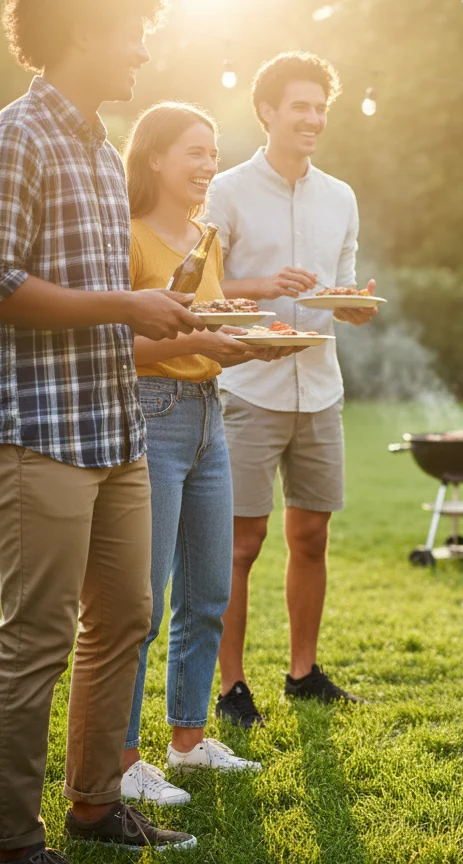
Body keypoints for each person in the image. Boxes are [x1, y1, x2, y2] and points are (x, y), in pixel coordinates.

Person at [0, 1, 204, 860]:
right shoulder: (19, 136)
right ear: (82, 30)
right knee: (33, 641)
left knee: (124, 616)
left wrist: (185, 331)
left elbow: (99, 294)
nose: (143, 46)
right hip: (41, 430)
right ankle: (12, 838)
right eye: (132, 29)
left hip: (115, 426)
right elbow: (4, 284)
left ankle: (93, 804)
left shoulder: (94, 143)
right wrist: (128, 303)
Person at [119, 102, 305, 805]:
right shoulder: (130, 237)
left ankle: (188, 741)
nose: (207, 166)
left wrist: (254, 338)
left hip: (207, 415)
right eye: (195, 152)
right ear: (156, 157)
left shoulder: (205, 237)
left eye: (213, 152)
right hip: (151, 414)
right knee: (142, 600)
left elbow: (214, 319)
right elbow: (124, 346)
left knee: (210, 593)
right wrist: (204, 342)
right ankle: (123, 756)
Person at [205, 51, 378, 728]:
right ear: (267, 112)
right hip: (248, 385)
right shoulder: (226, 190)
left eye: (319, 108)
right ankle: (231, 686)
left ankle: (303, 673)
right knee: (241, 543)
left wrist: (354, 306)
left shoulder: (341, 196)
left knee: (311, 536)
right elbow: (200, 285)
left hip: (321, 387)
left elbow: (341, 287)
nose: (312, 119)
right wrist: (263, 286)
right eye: (299, 106)